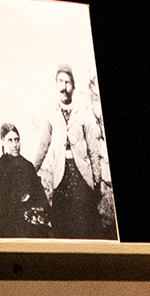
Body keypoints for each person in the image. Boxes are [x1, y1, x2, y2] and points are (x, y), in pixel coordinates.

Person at [30, 63, 116, 239]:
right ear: (56, 85)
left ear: (73, 86)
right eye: (61, 82)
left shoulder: (83, 115)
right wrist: (28, 174)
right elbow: (41, 148)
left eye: (68, 82)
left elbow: (93, 152)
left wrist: (96, 181)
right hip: (60, 180)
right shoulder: (51, 115)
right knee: (62, 229)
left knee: (86, 227)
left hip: (82, 179)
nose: (64, 87)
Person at [0, 121, 52, 236]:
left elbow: (40, 196)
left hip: (31, 221)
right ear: (3, 142)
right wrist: (23, 198)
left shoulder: (27, 166)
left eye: (17, 140)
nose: (15, 145)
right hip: (10, 223)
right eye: (10, 140)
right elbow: (1, 200)